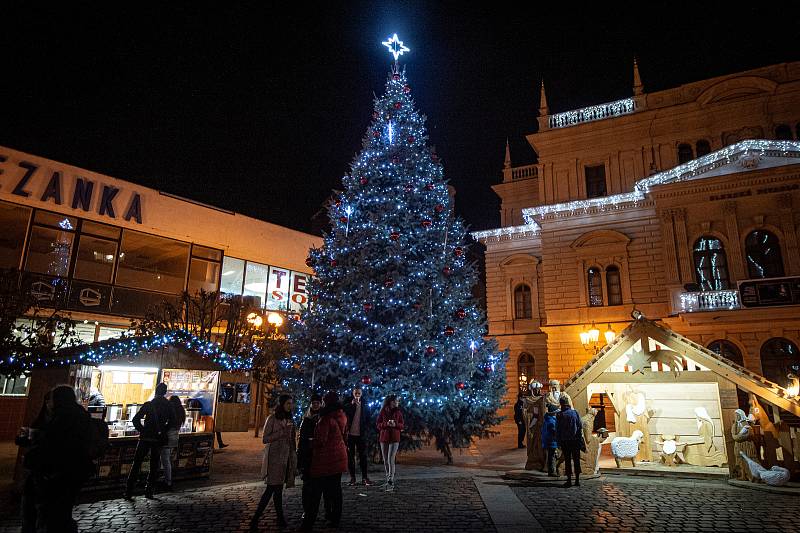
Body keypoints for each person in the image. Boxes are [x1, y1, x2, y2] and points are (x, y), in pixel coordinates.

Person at [27, 385, 93, 532]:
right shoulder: (81, 414)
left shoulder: (62, 417)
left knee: (53, 510)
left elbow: (54, 443)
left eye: (51, 399)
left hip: (59, 471)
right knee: (63, 508)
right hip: (76, 469)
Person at [301, 391, 347, 532]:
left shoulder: (326, 419)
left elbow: (321, 440)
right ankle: (334, 519)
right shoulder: (341, 415)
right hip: (338, 458)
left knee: (315, 493)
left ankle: (308, 523)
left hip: (325, 460)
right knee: (335, 492)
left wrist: (308, 442)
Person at [251, 394, 297, 530]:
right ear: (282, 404)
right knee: (271, 488)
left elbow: (291, 439)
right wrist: (282, 433)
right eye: (288, 403)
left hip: (284, 458)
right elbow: (265, 439)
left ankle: (279, 518)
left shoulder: (290, 419)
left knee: (277, 490)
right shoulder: (272, 418)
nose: (290, 406)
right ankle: (256, 518)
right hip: (273, 458)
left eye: (291, 403)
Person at [125, 382, 176, 499]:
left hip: (145, 438)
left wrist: (142, 430)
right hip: (157, 439)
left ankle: (129, 490)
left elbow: (135, 419)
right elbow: (173, 421)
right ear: (165, 392)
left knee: (136, 463)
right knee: (154, 465)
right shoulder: (168, 405)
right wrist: (163, 429)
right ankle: (149, 490)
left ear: (156, 391)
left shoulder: (149, 404)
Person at [17, 391, 53, 533]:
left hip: (48, 473)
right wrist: (26, 436)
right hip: (36, 471)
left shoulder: (60, 421)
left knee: (41, 511)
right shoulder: (41, 420)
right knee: (29, 509)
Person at [298, 393, 331, 522]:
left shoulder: (324, 417)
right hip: (308, 456)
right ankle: (307, 510)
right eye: (314, 403)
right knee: (307, 487)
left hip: (321, 456)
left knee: (322, 487)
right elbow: (302, 440)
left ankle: (326, 512)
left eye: (318, 402)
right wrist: (300, 459)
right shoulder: (306, 418)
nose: (316, 404)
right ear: (311, 404)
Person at [343, 387, 372, 486]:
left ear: (361, 394)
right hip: (350, 435)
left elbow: (368, 420)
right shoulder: (349, 404)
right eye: (355, 393)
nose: (357, 395)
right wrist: (352, 405)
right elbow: (344, 411)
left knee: (363, 456)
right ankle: (353, 478)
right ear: (353, 394)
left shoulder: (365, 406)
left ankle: (364, 477)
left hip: (361, 435)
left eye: (359, 393)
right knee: (350, 457)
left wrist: (366, 431)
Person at [376, 395, 404, 491]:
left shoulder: (398, 412)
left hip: (395, 438)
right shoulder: (383, 411)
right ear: (391, 402)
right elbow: (378, 424)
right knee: (385, 459)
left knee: (390, 458)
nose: (397, 402)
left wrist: (395, 424)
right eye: (396, 401)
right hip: (384, 438)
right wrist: (386, 424)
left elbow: (401, 425)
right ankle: (388, 479)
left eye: (397, 401)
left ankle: (390, 479)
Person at [555, 395, 584, 487]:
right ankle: (577, 480)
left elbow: (558, 429)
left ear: (561, 404)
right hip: (575, 440)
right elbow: (580, 426)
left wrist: (558, 442)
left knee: (567, 460)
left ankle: (569, 480)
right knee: (576, 460)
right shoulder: (575, 412)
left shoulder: (559, 415)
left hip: (565, 441)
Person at [159, 396, 186, 491]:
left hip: (168, 436)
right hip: (175, 435)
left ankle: (168, 481)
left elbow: (168, 424)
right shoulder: (181, 410)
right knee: (168, 459)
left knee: (165, 459)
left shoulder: (171, 410)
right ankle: (167, 478)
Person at [541, 403, 559, 476]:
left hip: (548, 441)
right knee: (552, 457)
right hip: (551, 442)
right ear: (553, 413)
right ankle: (552, 472)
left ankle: (551, 471)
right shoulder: (551, 421)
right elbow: (554, 432)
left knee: (550, 456)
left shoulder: (547, 419)